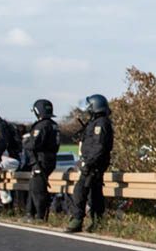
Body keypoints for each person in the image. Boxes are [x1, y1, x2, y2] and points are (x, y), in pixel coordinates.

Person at [65, 94, 114, 233]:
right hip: (92, 164)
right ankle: (97, 222)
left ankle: (77, 220)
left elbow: (99, 147)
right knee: (95, 194)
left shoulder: (101, 124)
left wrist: (88, 163)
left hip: (93, 165)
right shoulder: (95, 122)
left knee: (80, 191)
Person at [24, 99, 60, 221]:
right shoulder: (54, 125)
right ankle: (30, 213)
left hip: (40, 160)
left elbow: (34, 144)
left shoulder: (41, 125)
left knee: (38, 188)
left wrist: (26, 143)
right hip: (50, 159)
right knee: (34, 186)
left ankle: (40, 215)